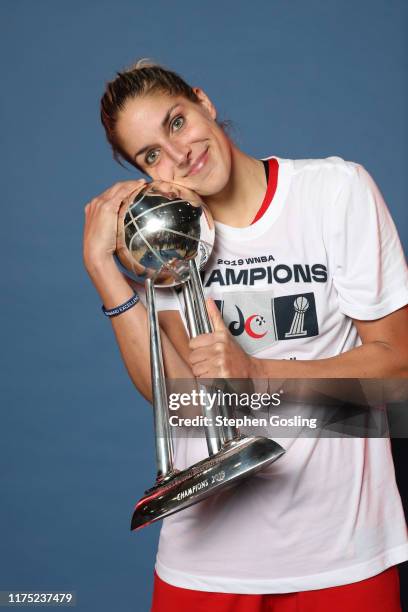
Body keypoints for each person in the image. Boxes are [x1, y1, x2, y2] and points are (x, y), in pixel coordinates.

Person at [83, 60, 408, 612]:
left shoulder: (334, 192)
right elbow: (181, 403)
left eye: (177, 122)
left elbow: (397, 371)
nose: (179, 152)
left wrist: (259, 374)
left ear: (204, 103)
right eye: (152, 154)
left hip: (343, 550)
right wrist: (105, 270)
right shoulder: (167, 233)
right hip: (206, 563)